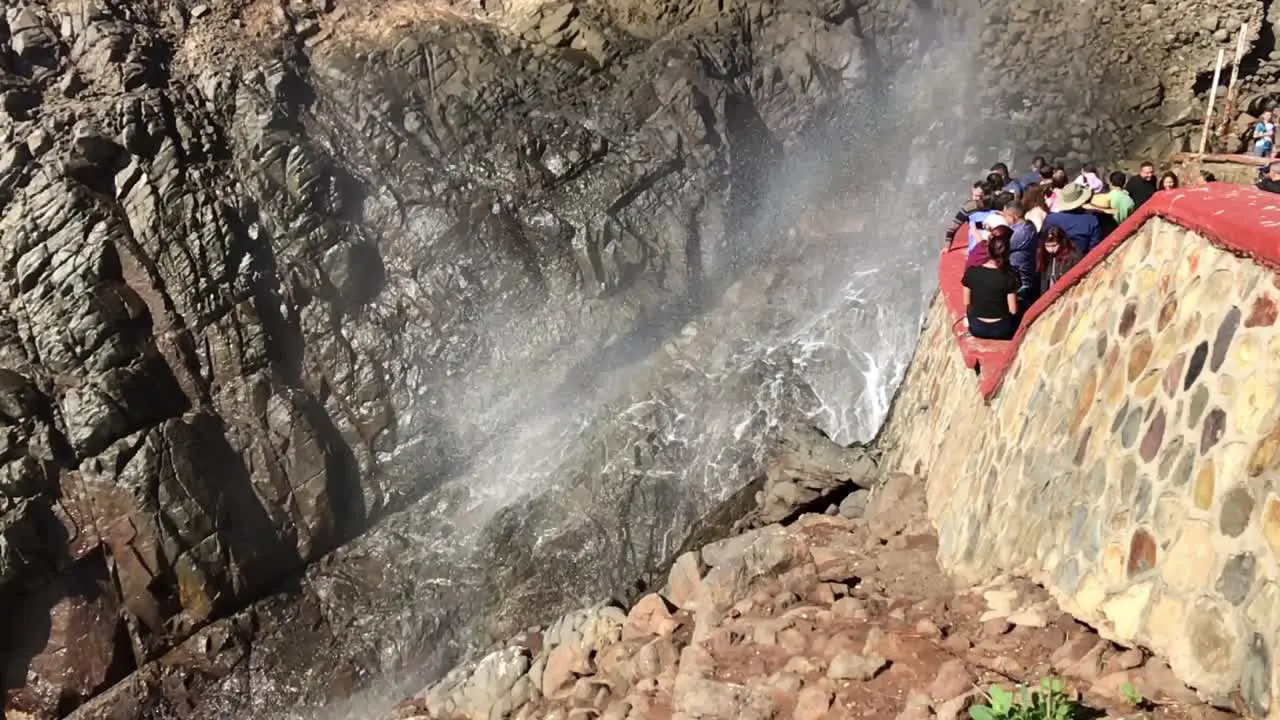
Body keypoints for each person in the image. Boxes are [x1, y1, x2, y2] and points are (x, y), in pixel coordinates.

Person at [962, 227, 1019, 340]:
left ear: (988, 250)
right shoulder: (1009, 277)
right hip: (1002, 330)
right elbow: (1013, 310)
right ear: (1007, 253)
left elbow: (966, 302)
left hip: (977, 328)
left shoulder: (971, 272)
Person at [1043, 183, 1102, 255]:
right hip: (1082, 259)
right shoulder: (1091, 221)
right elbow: (1094, 249)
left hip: (1057, 260)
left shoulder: (1050, 219)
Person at [1004, 201, 1039, 312]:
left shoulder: (1018, 233)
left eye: (1006, 216)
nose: (1005, 219)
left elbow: (1001, 248)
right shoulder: (1029, 225)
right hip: (1028, 269)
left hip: (1021, 277)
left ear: (1013, 217)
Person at [1036, 226, 1083, 295]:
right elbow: (1044, 282)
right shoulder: (1045, 256)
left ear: (1062, 242)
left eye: (1054, 245)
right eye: (1047, 246)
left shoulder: (1074, 256)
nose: (1051, 250)